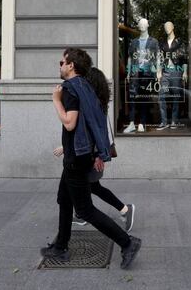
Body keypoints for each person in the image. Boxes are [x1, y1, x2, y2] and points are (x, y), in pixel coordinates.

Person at [41, 48, 141, 269]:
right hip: (79, 154)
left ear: (71, 65)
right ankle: (61, 246)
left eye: (61, 62)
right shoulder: (86, 87)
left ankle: (127, 243)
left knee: (85, 210)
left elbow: (70, 122)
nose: (59, 66)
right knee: (64, 200)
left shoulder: (69, 89)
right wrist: (97, 152)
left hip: (76, 157)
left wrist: (56, 99)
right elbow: (94, 122)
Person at [53, 67, 135, 231]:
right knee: (87, 187)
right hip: (86, 153)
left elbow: (100, 132)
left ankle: (124, 213)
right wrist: (66, 146)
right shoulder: (93, 101)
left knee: (88, 187)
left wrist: (99, 155)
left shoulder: (93, 104)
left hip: (90, 155)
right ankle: (86, 214)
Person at [124, 18, 159, 133]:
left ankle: (142, 123)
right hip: (135, 72)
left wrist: (158, 72)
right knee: (132, 98)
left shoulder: (153, 42)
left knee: (144, 98)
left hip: (147, 73)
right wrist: (128, 72)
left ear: (148, 25)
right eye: (140, 24)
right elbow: (129, 57)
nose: (142, 25)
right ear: (138, 26)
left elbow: (157, 57)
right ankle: (131, 123)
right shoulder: (134, 42)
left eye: (144, 23)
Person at [156, 21, 188, 130]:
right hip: (165, 72)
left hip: (176, 71)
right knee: (161, 96)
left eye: (169, 26)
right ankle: (164, 121)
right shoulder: (162, 43)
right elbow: (160, 58)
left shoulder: (179, 42)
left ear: (173, 27)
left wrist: (185, 72)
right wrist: (159, 72)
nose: (167, 28)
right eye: (165, 27)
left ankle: (174, 120)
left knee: (176, 96)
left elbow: (184, 59)